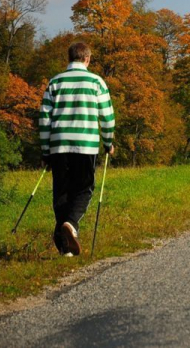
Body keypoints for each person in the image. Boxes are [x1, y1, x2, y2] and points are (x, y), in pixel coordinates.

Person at [39, 42, 115, 257]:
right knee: (84, 188)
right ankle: (71, 225)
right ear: (87, 59)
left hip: (59, 145)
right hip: (86, 145)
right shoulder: (96, 82)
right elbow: (107, 117)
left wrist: (45, 151)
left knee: (61, 192)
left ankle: (65, 249)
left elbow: (44, 119)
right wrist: (108, 142)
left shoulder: (55, 82)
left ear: (69, 58)